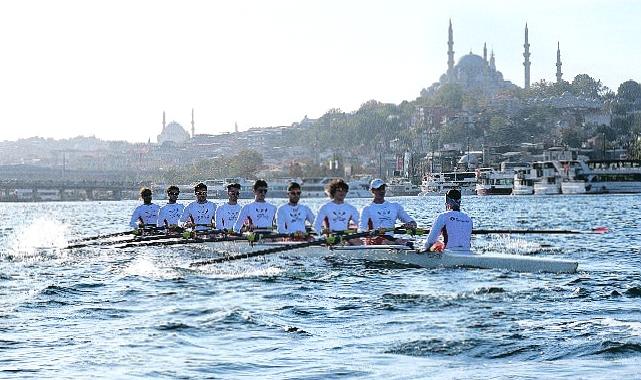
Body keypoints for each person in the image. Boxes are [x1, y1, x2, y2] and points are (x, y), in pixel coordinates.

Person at [359, 178, 417, 245]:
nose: (381, 191)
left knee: (409, 241)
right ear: (372, 191)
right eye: (378, 189)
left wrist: (410, 225)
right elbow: (361, 230)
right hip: (374, 241)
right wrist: (370, 232)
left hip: (390, 239)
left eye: (383, 188)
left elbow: (413, 223)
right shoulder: (367, 209)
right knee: (394, 241)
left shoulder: (395, 206)